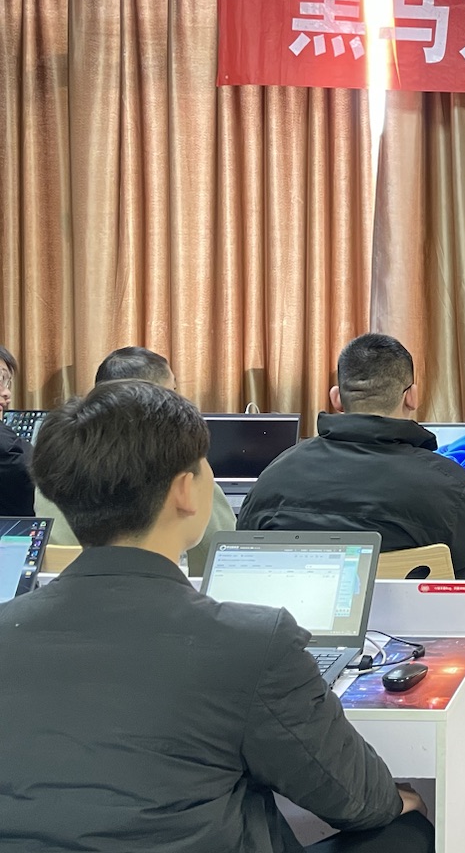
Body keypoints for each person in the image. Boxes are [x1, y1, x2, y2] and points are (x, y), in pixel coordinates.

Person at [0, 378, 434, 852]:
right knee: (406, 832)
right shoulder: (253, 643)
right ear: (185, 490)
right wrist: (401, 800)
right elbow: (356, 798)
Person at [237, 333, 465, 647]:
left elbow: (243, 565)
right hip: (412, 648)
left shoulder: (276, 474)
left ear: (336, 398)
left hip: (300, 648)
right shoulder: (445, 482)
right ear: (412, 397)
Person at [32, 345, 237, 569]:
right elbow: (221, 547)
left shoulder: (60, 458)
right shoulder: (177, 460)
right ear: (156, 399)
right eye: (173, 390)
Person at [0, 344, 36, 516]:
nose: (7, 393)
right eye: (0, 380)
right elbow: (35, 467)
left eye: (7, 383)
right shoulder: (7, 447)